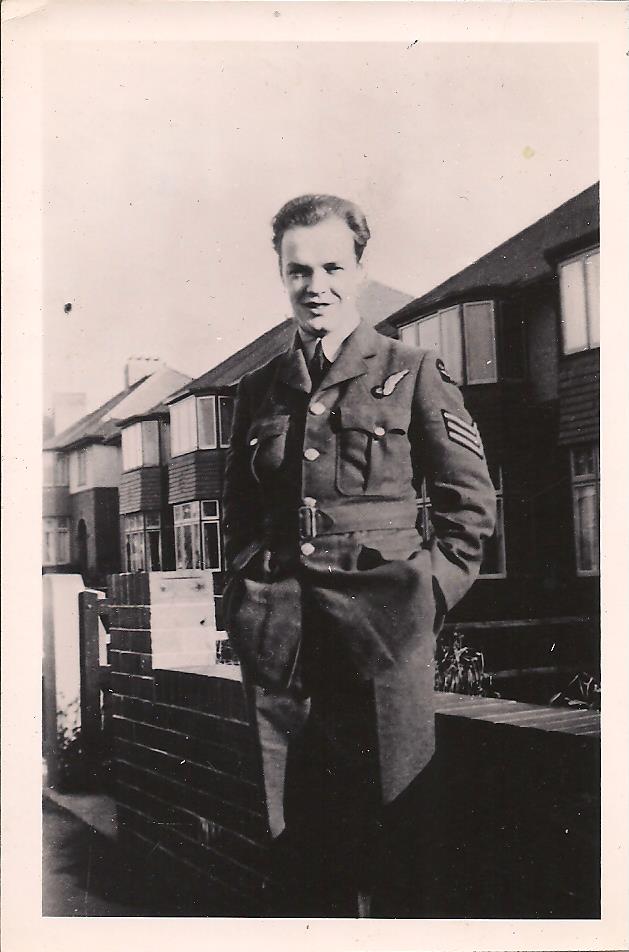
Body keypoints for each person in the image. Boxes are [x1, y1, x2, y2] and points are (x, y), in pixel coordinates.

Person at [222, 194, 496, 917]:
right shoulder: (257, 389)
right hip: (281, 645)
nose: (316, 286)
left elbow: (470, 505)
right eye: (299, 271)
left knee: (397, 842)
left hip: (383, 640)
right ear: (281, 276)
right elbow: (239, 514)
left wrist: (425, 595)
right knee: (294, 844)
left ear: (361, 271)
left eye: (332, 268)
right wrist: (245, 597)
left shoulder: (413, 369)